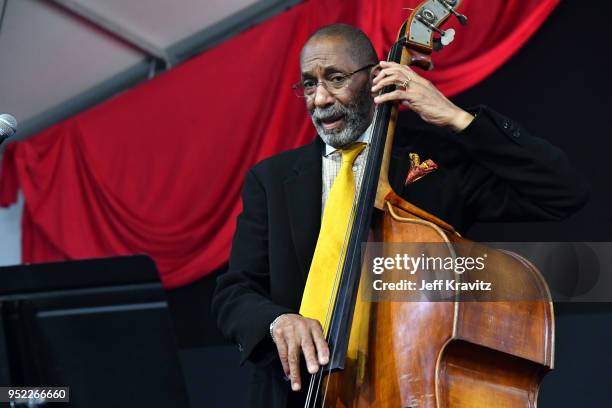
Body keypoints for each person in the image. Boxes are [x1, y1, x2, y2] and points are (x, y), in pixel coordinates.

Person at [212, 24, 588, 408]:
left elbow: (562, 192)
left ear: (376, 78)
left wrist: (457, 119)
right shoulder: (270, 179)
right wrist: (277, 321)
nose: (320, 98)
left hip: (407, 388)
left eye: (336, 79)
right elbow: (235, 291)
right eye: (309, 84)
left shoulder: (438, 164)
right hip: (297, 394)